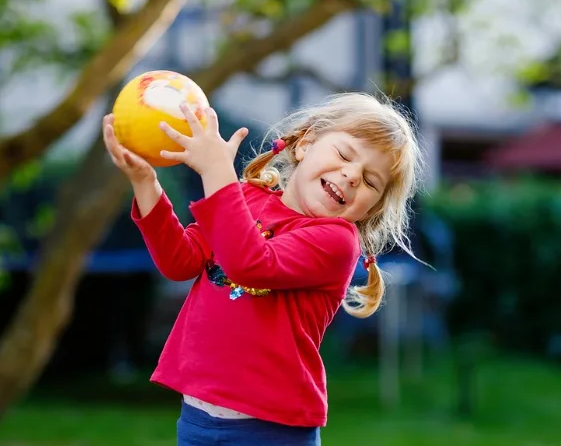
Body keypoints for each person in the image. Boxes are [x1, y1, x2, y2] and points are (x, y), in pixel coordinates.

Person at [102, 92, 424, 445]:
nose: (350, 175)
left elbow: (250, 264)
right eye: (345, 154)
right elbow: (180, 261)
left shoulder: (335, 241)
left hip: (270, 431)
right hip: (198, 420)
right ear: (305, 144)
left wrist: (216, 172)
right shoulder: (243, 198)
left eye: (370, 181)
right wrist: (145, 183)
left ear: (370, 210)